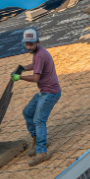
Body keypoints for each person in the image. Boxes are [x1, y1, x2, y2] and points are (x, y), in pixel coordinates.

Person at [12, 28, 61, 166]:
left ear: (37, 42)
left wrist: (19, 77)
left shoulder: (40, 54)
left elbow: (35, 78)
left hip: (50, 92)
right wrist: (23, 68)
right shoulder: (38, 53)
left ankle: (42, 152)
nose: (28, 47)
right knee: (27, 112)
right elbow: (35, 66)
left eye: (31, 44)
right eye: (27, 44)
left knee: (38, 119)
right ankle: (37, 139)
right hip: (44, 91)